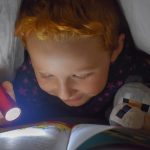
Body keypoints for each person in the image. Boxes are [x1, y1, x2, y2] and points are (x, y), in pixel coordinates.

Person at [2, 0, 150, 126]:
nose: (64, 93)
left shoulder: (132, 70)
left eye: (80, 75)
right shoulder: (25, 82)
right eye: (46, 75)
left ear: (115, 49)